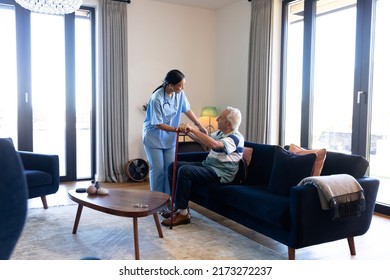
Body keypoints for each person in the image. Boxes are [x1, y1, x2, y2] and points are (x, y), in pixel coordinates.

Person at [161, 106, 244, 227]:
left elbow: (214, 145)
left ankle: (183, 214)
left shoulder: (235, 138)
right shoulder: (221, 133)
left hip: (221, 173)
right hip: (209, 166)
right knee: (173, 166)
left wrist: (193, 130)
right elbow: (203, 140)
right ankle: (178, 208)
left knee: (185, 171)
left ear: (229, 124)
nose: (216, 119)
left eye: (220, 118)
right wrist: (188, 132)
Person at [143, 69, 207, 195]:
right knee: (158, 170)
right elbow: (158, 123)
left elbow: (187, 109)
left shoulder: (180, 93)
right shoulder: (157, 98)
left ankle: (168, 199)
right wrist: (177, 130)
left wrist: (199, 125)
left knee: (170, 169)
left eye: (183, 85)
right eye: (180, 85)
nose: (182, 88)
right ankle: (157, 201)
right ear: (170, 85)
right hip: (154, 136)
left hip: (170, 137)